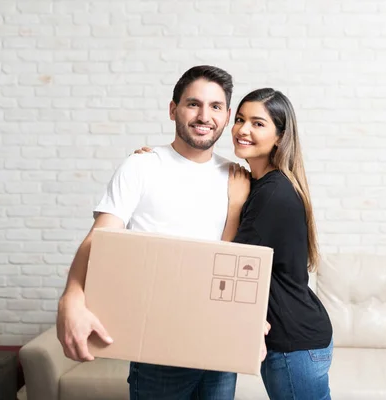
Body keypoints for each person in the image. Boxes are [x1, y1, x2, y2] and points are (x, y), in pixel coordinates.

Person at [55, 65, 265, 400]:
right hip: (157, 346)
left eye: (215, 107)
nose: (203, 116)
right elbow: (100, 238)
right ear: (173, 109)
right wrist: (71, 299)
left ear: (226, 117)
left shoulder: (238, 176)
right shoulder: (142, 166)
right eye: (193, 104)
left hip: (217, 341)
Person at [136, 88, 334, 400]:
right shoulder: (258, 183)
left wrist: (234, 207)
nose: (243, 129)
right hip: (293, 338)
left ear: (280, 137)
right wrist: (157, 161)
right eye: (240, 119)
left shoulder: (271, 194)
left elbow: (229, 265)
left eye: (258, 123)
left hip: (294, 342)